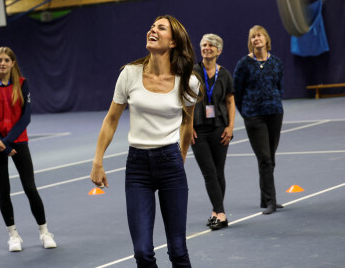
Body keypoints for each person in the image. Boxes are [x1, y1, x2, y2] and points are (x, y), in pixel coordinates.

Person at [91, 15, 200, 267]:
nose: (153, 30)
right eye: (152, 26)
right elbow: (111, 120)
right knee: (142, 252)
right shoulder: (129, 74)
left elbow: (187, 123)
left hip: (170, 163)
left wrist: (180, 158)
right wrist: (98, 161)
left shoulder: (188, 81)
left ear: (173, 42)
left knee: (178, 250)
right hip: (137, 167)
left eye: (161, 28)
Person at [0, 47, 57, 252]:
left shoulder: (23, 84)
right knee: (3, 190)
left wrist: (8, 141)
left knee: (30, 188)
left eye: (6, 60)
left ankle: (44, 232)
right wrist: (1, 143)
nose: (3, 63)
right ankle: (13, 236)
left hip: (18, 142)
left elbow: (26, 116)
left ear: (13, 63)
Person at [233, 25, 284, 215]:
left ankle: (265, 198)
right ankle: (271, 201)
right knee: (264, 158)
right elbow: (237, 91)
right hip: (254, 116)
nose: (256, 39)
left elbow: (280, 86)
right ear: (250, 41)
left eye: (259, 35)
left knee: (270, 157)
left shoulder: (276, 62)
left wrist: (275, 102)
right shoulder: (244, 64)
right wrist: (246, 112)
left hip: (275, 113)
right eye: (253, 36)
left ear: (266, 39)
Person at [191, 34, 235, 231]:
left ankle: (217, 212)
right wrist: (187, 127)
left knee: (219, 172)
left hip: (219, 128)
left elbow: (230, 102)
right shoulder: (191, 73)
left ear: (219, 50)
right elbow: (184, 102)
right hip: (197, 130)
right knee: (209, 172)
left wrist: (230, 126)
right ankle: (221, 213)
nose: (206, 48)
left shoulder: (224, 74)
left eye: (211, 45)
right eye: (203, 45)